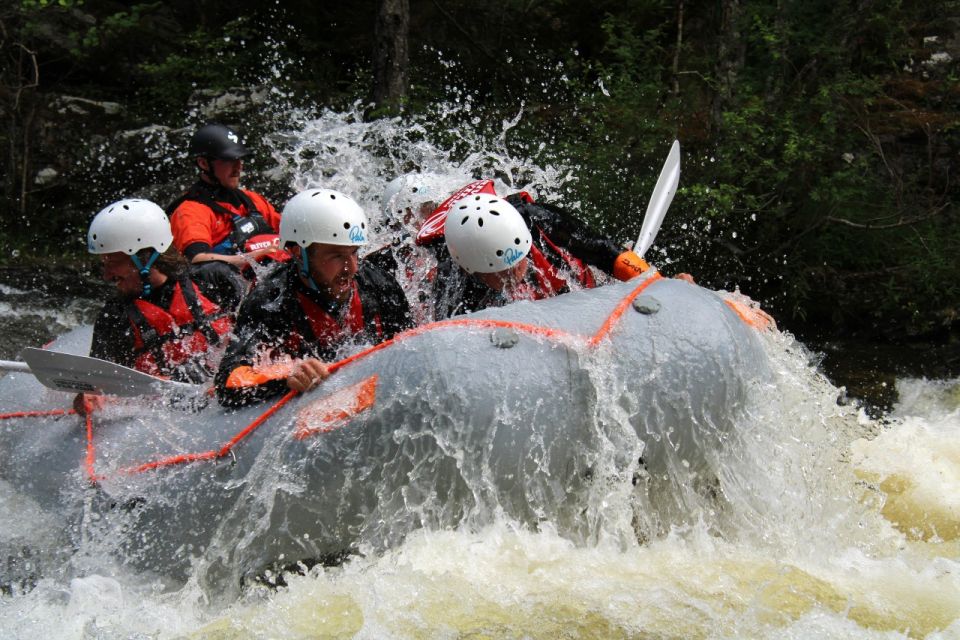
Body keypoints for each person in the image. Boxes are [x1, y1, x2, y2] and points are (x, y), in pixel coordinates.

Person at [215, 188, 413, 408]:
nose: (352, 268)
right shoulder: (270, 302)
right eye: (337, 256)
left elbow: (411, 348)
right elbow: (227, 382)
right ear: (299, 253)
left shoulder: (379, 284)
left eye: (354, 252)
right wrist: (287, 377)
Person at [82, 198, 237, 397]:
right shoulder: (114, 317)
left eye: (112, 261)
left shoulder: (214, 280)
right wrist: (91, 397)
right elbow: (100, 387)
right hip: (166, 414)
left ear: (145, 256)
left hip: (226, 396)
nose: (106, 274)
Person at [432, 192, 651, 319]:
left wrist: (653, 282)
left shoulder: (541, 220)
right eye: (499, 273)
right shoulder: (454, 285)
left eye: (518, 262)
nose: (512, 275)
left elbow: (605, 251)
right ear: (473, 271)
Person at [166, 122, 286, 303]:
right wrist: (250, 258)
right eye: (229, 160)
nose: (239, 167)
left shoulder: (251, 199)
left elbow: (291, 231)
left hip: (276, 280)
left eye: (239, 159)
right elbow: (197, 259)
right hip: (234, 296)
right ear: (203, 163)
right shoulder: (190, 211)